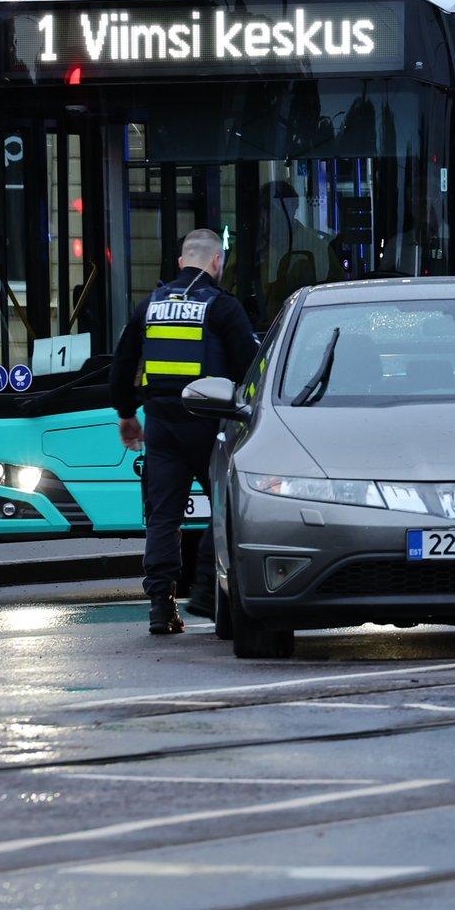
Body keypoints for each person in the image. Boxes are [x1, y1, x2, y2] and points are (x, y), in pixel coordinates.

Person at [110, 228, 259, 635]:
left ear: (180, 263)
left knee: (163, 516)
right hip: (210, 425)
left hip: (160, 426)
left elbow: (122, 365)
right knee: (224, 508)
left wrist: (127, 415)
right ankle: (209, 592)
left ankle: (161, 606)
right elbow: (250, 367)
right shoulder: (222, 307)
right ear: (217, 262)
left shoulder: (149, 305)